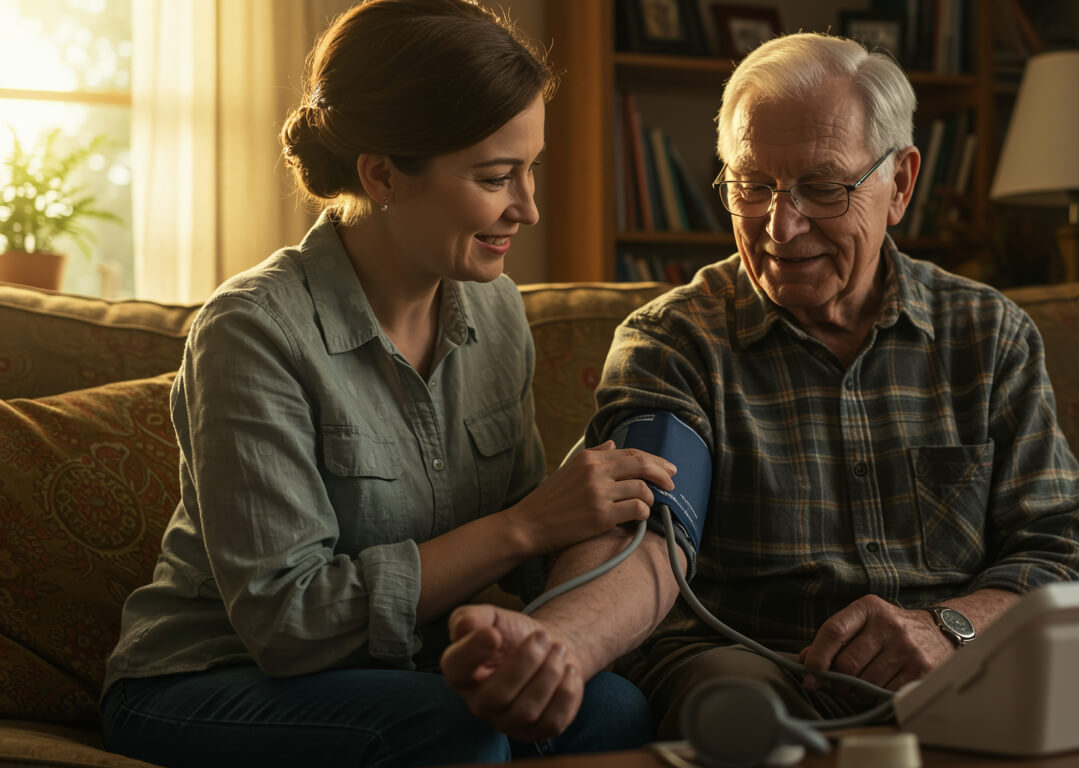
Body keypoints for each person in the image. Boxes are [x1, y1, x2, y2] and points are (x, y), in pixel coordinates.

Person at [440, 32, 1079, 738]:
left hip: (948, 659)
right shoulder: (675, 341)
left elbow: (1062, 546)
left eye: (822, 189)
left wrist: (951, 626)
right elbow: (644, 535)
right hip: (751, 663)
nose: (779, 228)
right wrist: (560, 646)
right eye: (751, 186)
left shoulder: (988, 334)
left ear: (901, 184)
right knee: (737, 702)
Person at [99, 1, 675, 765]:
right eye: (497, 176)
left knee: (610, 709)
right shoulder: (253, 331)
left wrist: (610, 516)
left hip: (400, 674)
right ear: (382, 174)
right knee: (457, 731)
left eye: (530, 169)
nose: (528, 208)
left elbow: (533, 534)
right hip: (207, 679)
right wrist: (525, 527)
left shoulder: (494, 310)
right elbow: (288, 622)